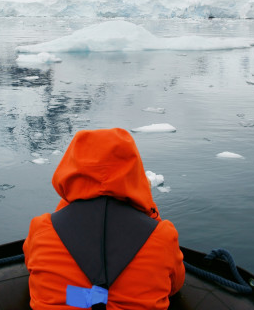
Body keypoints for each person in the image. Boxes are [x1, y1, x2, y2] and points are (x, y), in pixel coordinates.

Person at [23, 128, 185, 310]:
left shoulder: (42, 230)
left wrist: (71, 200)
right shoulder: (162, 237)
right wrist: (145, 204)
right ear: (134, 171)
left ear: (70, 170)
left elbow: (32, 268)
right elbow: (175, 285)